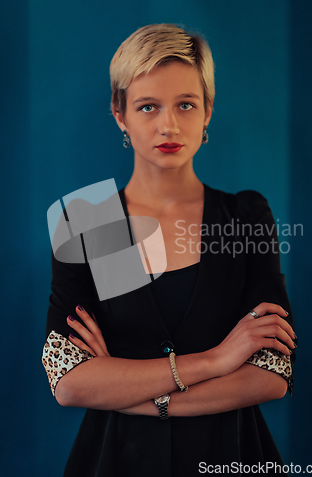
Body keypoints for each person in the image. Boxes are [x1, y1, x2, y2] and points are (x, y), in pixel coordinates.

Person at [42, 24, 297, 477]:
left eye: (185, 104)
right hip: (115, 460)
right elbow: (68, 379)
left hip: (233, 456)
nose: (169, 125)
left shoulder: (244, 214)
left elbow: (272, 372)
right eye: (147, 107)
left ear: (208, 112)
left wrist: (130, 391)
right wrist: (216, 361)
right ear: (119, 113)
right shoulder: (88, 220)